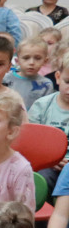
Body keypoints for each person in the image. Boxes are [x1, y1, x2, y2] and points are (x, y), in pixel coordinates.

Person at [29, 48, 69, 193]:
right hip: (48, 165)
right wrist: (52, 160)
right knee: (40, 179)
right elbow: (31, 142)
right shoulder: (42, 105)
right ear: (58, 77)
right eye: (68, 82)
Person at [6, 36, 55, 111]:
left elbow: (46, 110)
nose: (31, 63)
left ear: (45, 61)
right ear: (17, 61)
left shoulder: (46, 84)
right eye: (26, 58)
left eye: (37, 58)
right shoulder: (5, 79)